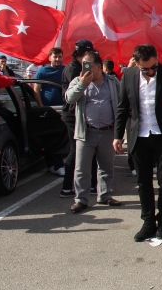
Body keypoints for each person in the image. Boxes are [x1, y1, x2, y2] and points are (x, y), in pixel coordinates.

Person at [114, 44, 162, 242]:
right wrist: (117, 136)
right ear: (136, 64)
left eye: (154, 66)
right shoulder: (128, 76)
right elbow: (122, 107)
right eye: (146, 69)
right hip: (139, 136)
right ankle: (147, 222)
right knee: (143, 183)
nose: (152, 72)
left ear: (157, 59)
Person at [65, 51, 121, 213]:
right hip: (86, 132)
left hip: (107, 131)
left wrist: (119, 129)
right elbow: (69, 98)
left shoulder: (112, 82)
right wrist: (82, 84)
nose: (86, 68)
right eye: (84, 64)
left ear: (99, 66)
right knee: (81, 168)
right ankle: (80, 199)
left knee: (106, 166)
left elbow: (122, 101)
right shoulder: (78, 80)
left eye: (89, 64)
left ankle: (104, 195)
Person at [60, 40, 98, 197]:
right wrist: (83, 81)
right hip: (73, 115)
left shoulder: (78, 67)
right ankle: (67, 186)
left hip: (81, 113)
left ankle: (92, 185)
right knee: (76, 152)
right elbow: (72, 95)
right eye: (87, 55)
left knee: (89, 150)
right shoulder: (73, 69)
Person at [33, 47, 67, 176]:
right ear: (50, 58)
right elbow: (36, 90)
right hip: (48, 110)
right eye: (55, 57)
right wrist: (41, 105)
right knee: (51, 138)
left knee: (62, 138)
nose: (57, 59)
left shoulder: (65, 70)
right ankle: (55, 165)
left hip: (64, 109)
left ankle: (57, 164)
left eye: (59, 56)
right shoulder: (42, 71)